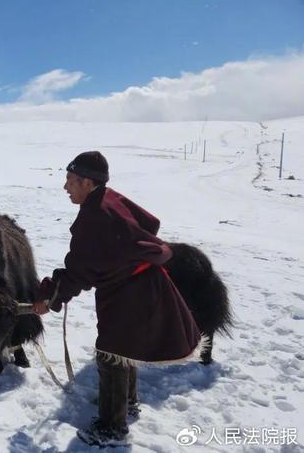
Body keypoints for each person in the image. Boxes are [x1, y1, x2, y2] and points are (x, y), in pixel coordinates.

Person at [32, 151, 202, 447]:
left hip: (130, 293)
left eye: (71, 180)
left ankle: (111, 427)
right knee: (124, 347)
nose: (65, 187)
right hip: (139, 286)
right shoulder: (109, 200)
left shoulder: (96, 217)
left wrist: (49, 297)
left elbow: (79, 271)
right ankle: (127, 400)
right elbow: (148, 224)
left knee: (110, 353)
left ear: (87, 182)